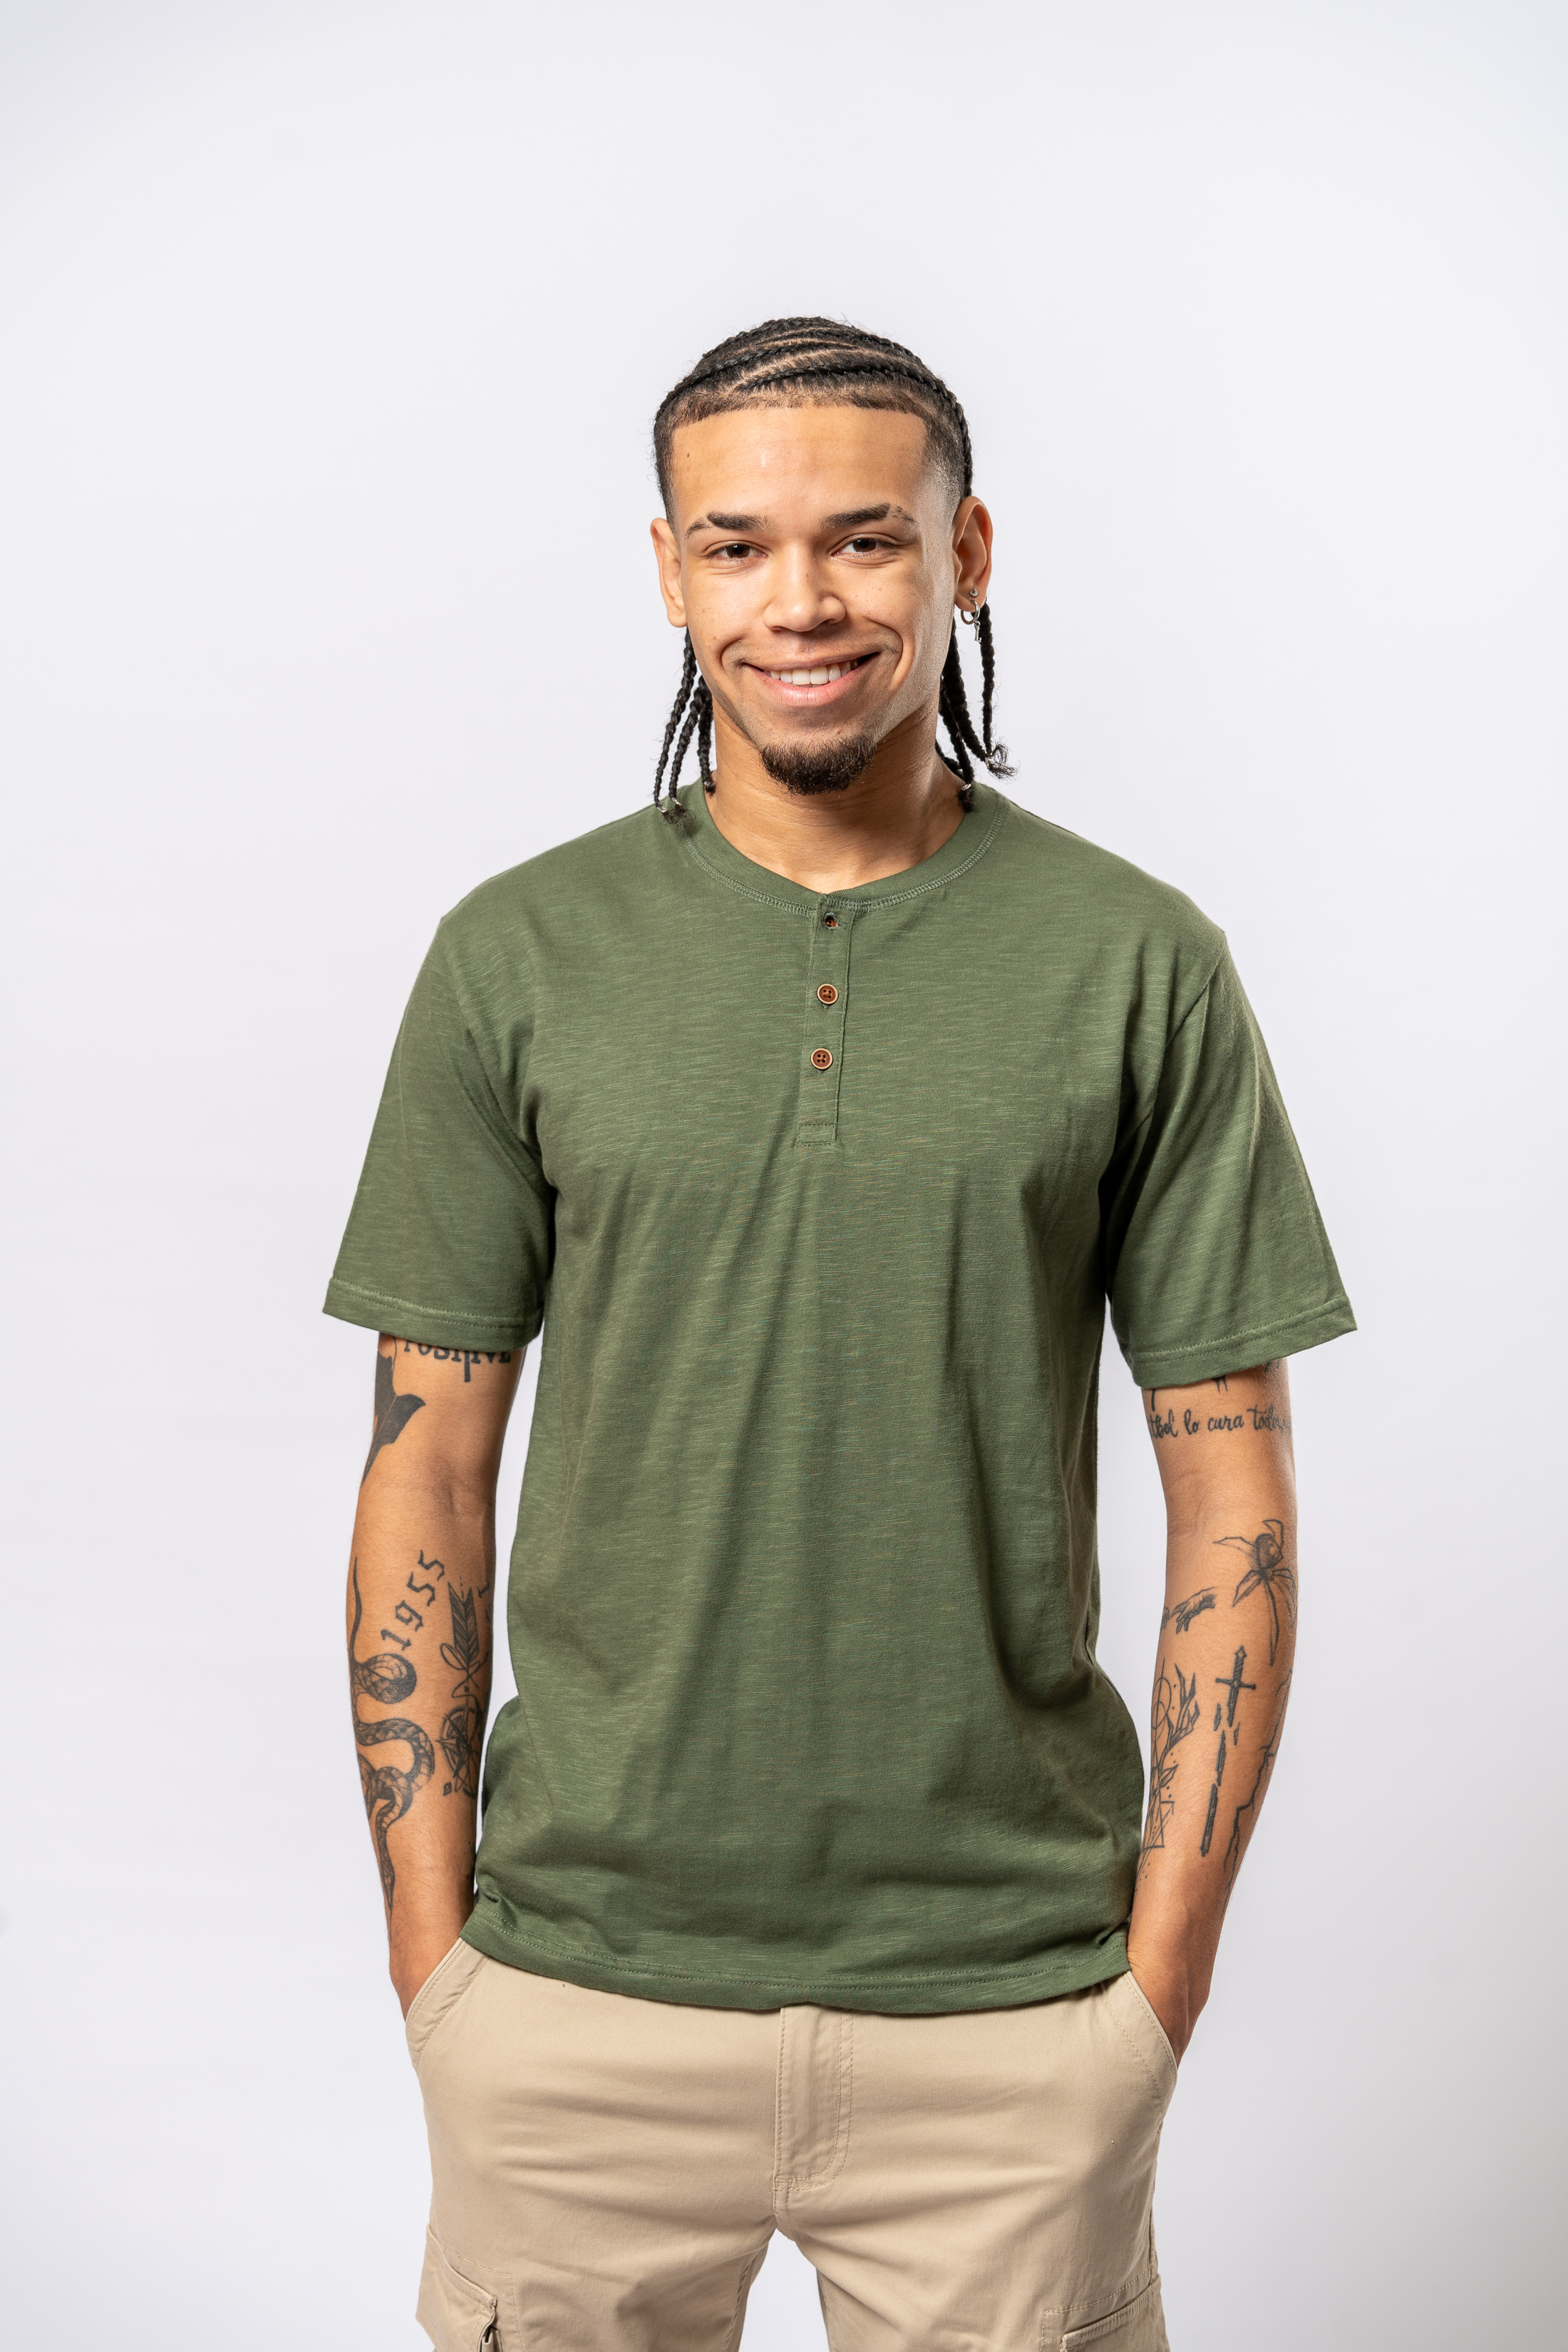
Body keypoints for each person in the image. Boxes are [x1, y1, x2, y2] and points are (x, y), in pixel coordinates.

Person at [326, 317, 1354, 2352]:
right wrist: (437, 1965)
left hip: (1014, 2011)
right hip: (576, 1997)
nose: (799, 599)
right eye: (737, 545)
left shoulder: (1136, 962)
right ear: (670, 570)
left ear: (968, 552)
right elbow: (425, 1463)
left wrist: (1158, 1983)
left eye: (865, 538)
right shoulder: (515, 958)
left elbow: (1233, 1486)